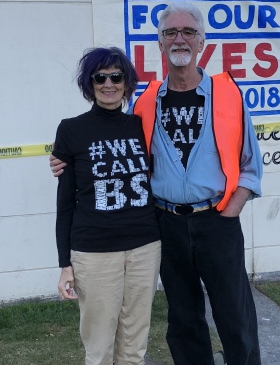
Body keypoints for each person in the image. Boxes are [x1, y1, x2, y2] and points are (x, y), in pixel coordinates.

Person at [51, 1, 263, 365]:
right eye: (170, 33)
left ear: (202, 42)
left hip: (217, 221)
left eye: (188, 32)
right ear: (160, 43)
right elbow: (113, 150)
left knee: (235, 315)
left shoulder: (228, 94)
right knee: (183, 319)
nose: (179, 39)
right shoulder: (145, 103)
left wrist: (230, 211)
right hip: (166, 225)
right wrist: (64, 161)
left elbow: (251, 165)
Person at [53, 46, 161, 365]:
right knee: (99, 346)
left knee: (134, 344)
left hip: (145, 247)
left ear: (127, 82)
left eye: (116, 76)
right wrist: (64, 264)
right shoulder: (71, 130)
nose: (108, 83)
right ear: (90, 83)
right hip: (94, 251)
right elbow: (65, 204)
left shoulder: (143, 126)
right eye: (100, 77)